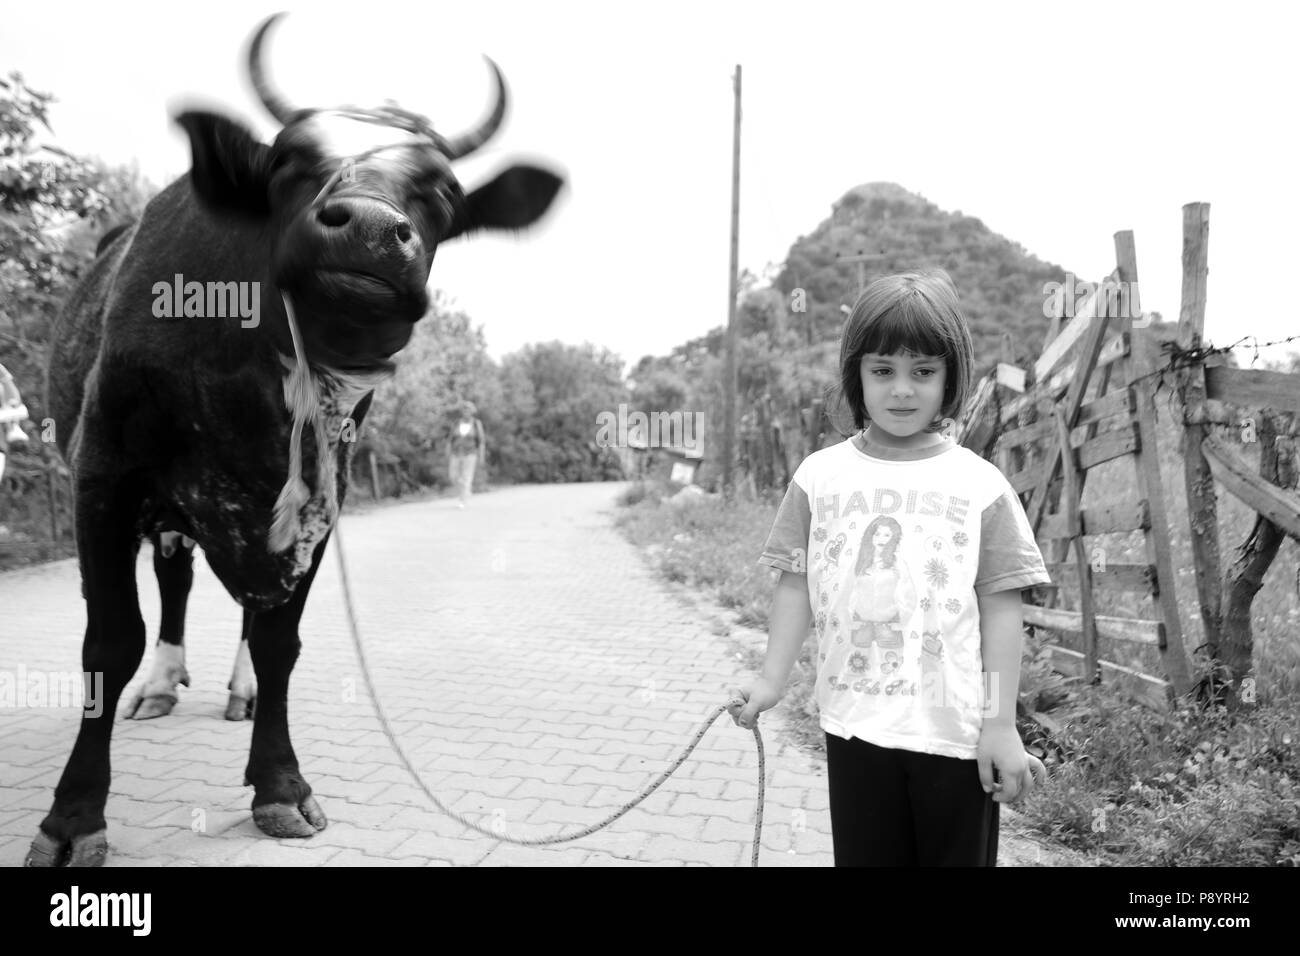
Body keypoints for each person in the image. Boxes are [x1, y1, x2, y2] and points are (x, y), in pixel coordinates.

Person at [729, 270, 1052, 866]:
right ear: (856, 373)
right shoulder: (819, 478)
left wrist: (1000, 723)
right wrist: (771, 680)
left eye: (923, 372)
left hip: (953, 738)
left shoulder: (980, 487)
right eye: (883, 370)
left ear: (950, 375)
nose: (902, 390)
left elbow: (1003, 611)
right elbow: (796, 584)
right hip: (854, 727)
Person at [446, 400, 486, 508]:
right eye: (464, 410)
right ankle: (466, 490)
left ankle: (463, 500)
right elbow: (450, 440)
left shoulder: (476, 424)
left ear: (472, 411)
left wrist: (482, 456)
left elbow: (481, 441)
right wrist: (447, 452)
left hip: (470, 453)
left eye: (468, 410)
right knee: (453, 476)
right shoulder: (456, 423)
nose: (466, 412)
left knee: (466, 477)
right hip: (456, 453)